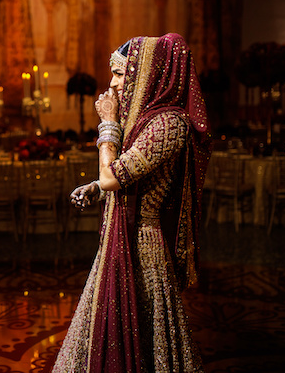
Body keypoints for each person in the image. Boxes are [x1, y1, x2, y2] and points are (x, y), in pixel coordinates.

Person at [52, 33, 211, 372]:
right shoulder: (143, 121)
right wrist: (97, 187)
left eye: (122, 73)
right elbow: (120, 177)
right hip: (118, 239)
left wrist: (107, 125)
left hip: (143, 246)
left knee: (147, 338)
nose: (113, 82)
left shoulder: (169, 124)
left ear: (152, 74)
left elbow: (115, 176)